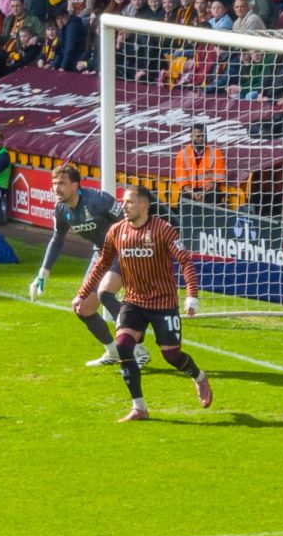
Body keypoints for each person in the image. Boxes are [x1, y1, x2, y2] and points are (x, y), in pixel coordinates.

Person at [73, 185, 211, 422]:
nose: (123, 206)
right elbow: (101, 264)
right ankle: (139, 408)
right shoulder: (116, 231)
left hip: (163, 302)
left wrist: (192, 295)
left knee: (171, 356)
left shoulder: (163, 230)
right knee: (124, 346)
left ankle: (199, 377)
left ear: (144, 205)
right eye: (123, 202)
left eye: (129, 202)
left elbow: (185, 262)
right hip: (133, 302)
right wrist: (83, 293)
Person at [29, 165, 151, 368]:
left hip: (124, 250)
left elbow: (128, 221)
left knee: (105, 293)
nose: (56, 188)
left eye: (61, 183)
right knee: (82, 308)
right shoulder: (61, 209)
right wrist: (43, 273)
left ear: (75, 185)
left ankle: (137, 349)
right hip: (101, 254)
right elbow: (57, 239)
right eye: (54, 184)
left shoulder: (98, 200)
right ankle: (113, 352)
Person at [174, 122, 226, 207]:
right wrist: (193, 194)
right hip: (190, 191)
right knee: (183, 202)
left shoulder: (216, 153)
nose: (202, 138)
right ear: (191, 137)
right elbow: (183, 181)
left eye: (204, 136)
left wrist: (204, 192)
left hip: (209, 191)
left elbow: (218, 179)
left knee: (214, 196)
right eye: (198, 136)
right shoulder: (182, 155)